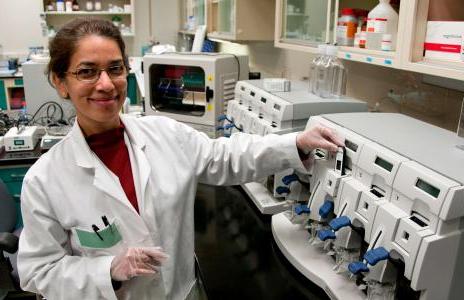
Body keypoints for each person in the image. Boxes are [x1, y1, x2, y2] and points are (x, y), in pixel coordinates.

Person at [17, 18, 344, 300]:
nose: (105, 84)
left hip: (182, 292)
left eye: (115, 69)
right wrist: (107, 271)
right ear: (60, 82)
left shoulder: (164, 133)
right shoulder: (45, 180)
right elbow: (39, 271)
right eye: (86, 72)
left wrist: (295, 143)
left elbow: (224, 157)